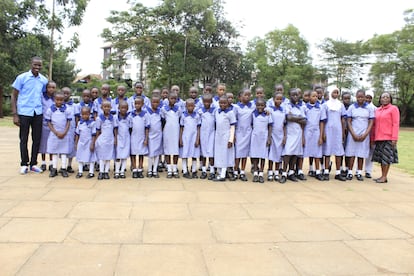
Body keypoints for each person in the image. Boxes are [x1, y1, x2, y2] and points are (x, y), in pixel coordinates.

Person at [11, 56, 48, 174]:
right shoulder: (22, 78)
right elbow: (14, 95)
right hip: (24, 112)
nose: (37, 67)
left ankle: (33, 163)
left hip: (38, 112)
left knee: (37, 139)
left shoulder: (43, 80)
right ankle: (24, 163)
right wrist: (15, 114)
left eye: (39, 65)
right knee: (23, 138)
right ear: (30, 64)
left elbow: (44, 96)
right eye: (35, 65)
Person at [345, 90, 375, 181]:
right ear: (356, 97)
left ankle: (359, 172)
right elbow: (349, 121)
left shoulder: (369, 108)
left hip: (364, 133)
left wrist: (366, 134)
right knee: (352, 153)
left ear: (365, 97)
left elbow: (371, 122)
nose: (360, 99)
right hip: (353, 133)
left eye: (362, 97)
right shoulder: (352, 107)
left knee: (361, 154)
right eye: (358, 97)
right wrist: (353, 133)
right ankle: (350, 172)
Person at [371, 92, 400, 183]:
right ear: (380, 99)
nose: (385, 99)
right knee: (381, 158)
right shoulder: (377, 110)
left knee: (386, 158)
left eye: (387, 97)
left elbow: (395, 124)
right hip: (378, 138)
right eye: (383, 97)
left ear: (390, 99)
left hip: (388, 137)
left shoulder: (393, 109)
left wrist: (394, 138)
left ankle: (384, 176)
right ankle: (383, 176)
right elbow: (374, 125)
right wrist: (372, 138)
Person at [281, 89, 307, 183]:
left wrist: (294, 118)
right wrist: (299, 118)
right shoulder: (286, 105)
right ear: (289, 95)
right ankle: (283, 173)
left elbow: (304, 120)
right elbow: (288, 117)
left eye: (297, 95)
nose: (295, 96)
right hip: (289, 132)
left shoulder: (301, 107)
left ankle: (291, 173)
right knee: (287, 152)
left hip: (298, 133)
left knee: (295, 153)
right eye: (293, 95)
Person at [44, 91, 72, 177]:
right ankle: (54, 169)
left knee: (63, 152)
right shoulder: (50, 110)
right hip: (54, 134)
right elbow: (49, 122)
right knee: (54, 151)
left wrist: (64, 132)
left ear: (63, 100)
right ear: (54, 100)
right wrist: (55, 132)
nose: (59, 102)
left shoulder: (67, 109)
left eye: (61, 100)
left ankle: (63, 168)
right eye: (57, 100)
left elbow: (68, 121)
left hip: (64, 134)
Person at [322, 87, 347, 181]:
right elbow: (323, 120)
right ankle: (326, 172)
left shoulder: (341, 105)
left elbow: (343, 119)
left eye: (337, 92)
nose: (335, 94)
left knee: (338, 152)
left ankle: (338, 172)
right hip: (328, 130)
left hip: (338, 130)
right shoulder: (325, 105)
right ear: (330, 93)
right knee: (327, 152)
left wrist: (343, 131)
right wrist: (323, 132)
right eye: (334, 92)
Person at [303, 91, 326, 181]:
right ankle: (300, 171)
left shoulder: (320, 107)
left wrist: (321, 136)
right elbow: (303, 121)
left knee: (317, 152)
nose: (315, 98)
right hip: (307, 131)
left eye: (316, 96)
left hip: (316, 131)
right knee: (304, 152)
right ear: (309, 97)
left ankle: (317, 171)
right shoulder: (305, 107)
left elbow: (321, 122)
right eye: (313, 96)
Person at [233, 88, 254, 181]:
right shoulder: (236, 107)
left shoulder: (252, 106)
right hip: (239, 132)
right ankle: (235, 171)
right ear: (240, 97)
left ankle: (242, 171)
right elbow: (233, 121)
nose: (248, 97)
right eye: (245, 95)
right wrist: (233, 134)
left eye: (249, 95)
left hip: (248, 132)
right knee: (237, 153)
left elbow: (263, 108)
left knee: (244, 153)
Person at [213, 96, 236, 181]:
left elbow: (232, 127)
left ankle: (223, 174)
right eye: (221, 103)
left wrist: (231, 139)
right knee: (218, 154)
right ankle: (219, 173)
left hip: (226, 136)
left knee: (225, 155)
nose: (222, 104)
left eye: (224, 103)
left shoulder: (230, 113)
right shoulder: (217, 112)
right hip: (218, 136)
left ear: (227, 103)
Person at [250, 98, 272, 183]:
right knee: (255, 156)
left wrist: (269, 138)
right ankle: (255, 173)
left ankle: (261, 173)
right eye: (258, 105)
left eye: (262, 105)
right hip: (255, 137)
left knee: (263, 156)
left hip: (264, 138)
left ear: (265, 106)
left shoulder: (268, 115)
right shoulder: (253, 114)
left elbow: (270, 126)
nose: (260, 107)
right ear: (255, 106)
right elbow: (251, 124)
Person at [161, 92, 182, 178]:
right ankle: (169, 169)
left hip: (176, 132)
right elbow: (163, 121)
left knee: (175, 151)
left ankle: (175, 168)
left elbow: (180, 120)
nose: (173, 100)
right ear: (168, 99)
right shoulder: (164, 109)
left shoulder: (179, 109)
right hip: (167, 132)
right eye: (171, 98)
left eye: (174, 99)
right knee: (167, 151)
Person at [95, 100, 117, 180]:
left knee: (108, 156)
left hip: (110, 139)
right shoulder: (99, 118)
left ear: (111, 107)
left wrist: (115, 139)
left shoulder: (113, 118)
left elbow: (115, 129)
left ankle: (106, 172)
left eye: (108, 107)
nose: (107, 108)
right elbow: (97, 130)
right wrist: (96, 140)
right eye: (105, 107)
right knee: (102, 156)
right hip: (102, 140)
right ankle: (101, 172)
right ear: (101, 108)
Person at [179, 99, 201, 179]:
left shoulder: (197, 116)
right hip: (185, 138)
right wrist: (180, 139)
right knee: (185, 154)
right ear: (186, 106)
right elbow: (181, 128)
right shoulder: (183, 115)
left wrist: (197, 139)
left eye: (192, 106)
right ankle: (185, 170)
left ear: (194, 106)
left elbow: (198, 128)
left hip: (194, 138)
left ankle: (194, 170)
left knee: (194, 154)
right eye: (189, 106)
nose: (190, 107)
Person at [268, 93, 286, 182]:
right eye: (277, 99)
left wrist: (285, 136)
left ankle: (276, 172)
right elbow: (269, 124)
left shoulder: (283, 110)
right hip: (273, 134)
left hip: (280, 134)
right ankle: (270, 172)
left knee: (278, 154)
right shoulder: (270, 109)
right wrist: (269, 136)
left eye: (280, 99)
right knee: (272, 153)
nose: (279, 101)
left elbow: (284, 124)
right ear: (273, 99)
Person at [74, 106, 97, 179]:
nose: (85, 116)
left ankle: (91, 172)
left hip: (89, 142)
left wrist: (92, 143)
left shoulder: (92, 123)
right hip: (81, 142)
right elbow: (77, 134)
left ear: (89, 114)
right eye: (83, 114)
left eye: (86, 114)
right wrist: (76, 143)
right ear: (81, 114)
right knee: (80, 157)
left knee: (91, 157)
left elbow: (94, 134)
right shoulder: (79, 123)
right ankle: (80, 171)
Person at [130, 96, 150, 178]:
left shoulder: (145, 114)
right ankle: (134, 169)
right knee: (133, 153)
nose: (137, 105)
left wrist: (146, 138)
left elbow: (147, 127)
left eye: (139, 104)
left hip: (142, 137)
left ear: (142, 104)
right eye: (136, 104)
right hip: (133, 137)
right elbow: (130, 127)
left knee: (141, 153)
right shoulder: (131, 114)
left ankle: (140, 169)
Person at [39, 81, 56, 172]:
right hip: (43, 123)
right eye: (49, 87)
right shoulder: (42, 96)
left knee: (51, 143)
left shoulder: (56, 98)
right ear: (46, 88)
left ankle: (51, 162)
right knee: (43, 142)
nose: (51, 89)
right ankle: (43, 162)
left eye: (53, 87)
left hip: (52, 124)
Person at [198, 93, 216, 180]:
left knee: (211, 153)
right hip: (203, 134)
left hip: (212, 134)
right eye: (205, 102)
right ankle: (204, 170)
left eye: (208, 102)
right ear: (202, 102)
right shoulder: (200, 111)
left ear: (211, 101)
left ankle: (212, 171)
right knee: (203, 153)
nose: (207, 104)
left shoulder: (215, 111)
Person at [147, 95, 163, 178]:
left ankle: (155, 170)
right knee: (150, 154)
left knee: (157, 153)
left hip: (158, 135)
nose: (155, 104)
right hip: (150, 135)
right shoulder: (147, 112)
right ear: (150, 102)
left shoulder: (160, 112)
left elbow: (163, 122)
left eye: (157, 102)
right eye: (154, 102)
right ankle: (149, 170)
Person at [114, 101, 131, 179]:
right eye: (122, 108)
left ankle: (122, 172)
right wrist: (115, 138)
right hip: (119, 138)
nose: (123, 109)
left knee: (124, 155)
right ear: (118, 108)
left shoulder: (129, 117)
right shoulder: (115, 117)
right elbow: (115, 128)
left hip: (126, 138)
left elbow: (131, 128)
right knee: (118, 155)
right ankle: (117, 171)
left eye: (125, 108)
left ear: (127, 109)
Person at [364, 89, 377, 178]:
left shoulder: (375, 109)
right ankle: (358, 170)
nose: (368, 100)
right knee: (360, 152)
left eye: (370, 98)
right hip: (361, 132)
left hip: (371, 133)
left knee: (370, 153)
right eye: (366, 97)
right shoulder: (361, 107)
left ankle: (368, 170)